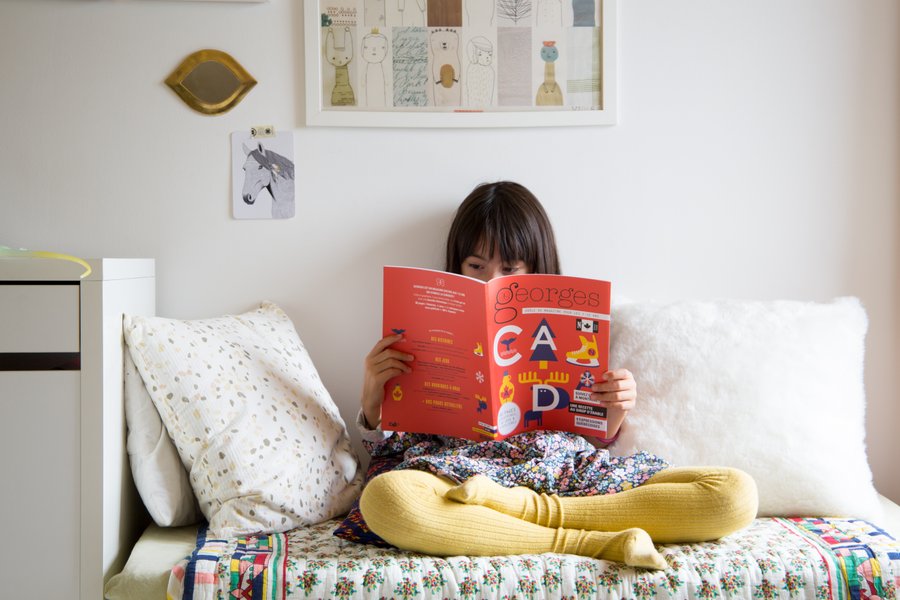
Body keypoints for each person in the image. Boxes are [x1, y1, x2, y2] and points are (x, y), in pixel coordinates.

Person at [356, 181, 758, 570]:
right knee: (386, 499)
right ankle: (594, 541)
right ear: (456, 265)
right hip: (462, 476)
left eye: (510, 268)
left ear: (536, 268)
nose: (491, 282)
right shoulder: (423, 332)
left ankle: (512, 508)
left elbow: (592, 434)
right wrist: (373, 398)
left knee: (734, 494)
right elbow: (392, 452)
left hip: (562, 472)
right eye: (476, 266)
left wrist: (615, 407)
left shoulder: (568, 327)